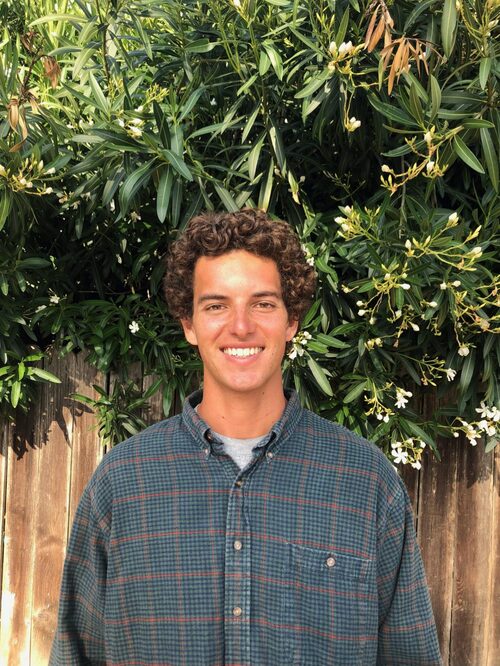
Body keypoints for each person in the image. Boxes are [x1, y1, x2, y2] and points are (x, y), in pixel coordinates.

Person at [51, 208, 442, 665]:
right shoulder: (123, 483)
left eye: (263, 303)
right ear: (189, 324)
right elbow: (77, 654)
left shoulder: (364, 481)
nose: (240, 326)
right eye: (216, 305)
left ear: (292, 321)